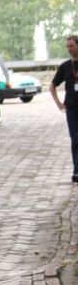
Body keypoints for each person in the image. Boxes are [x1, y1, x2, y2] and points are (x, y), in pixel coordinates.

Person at [49, 35, 78, 183]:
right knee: (75, 139)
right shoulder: (65, 66)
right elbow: (52, 86)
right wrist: (58, 103)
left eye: (72, 46)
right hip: (72, 108)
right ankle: (77, 171)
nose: (69, 49)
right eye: (67, 46)